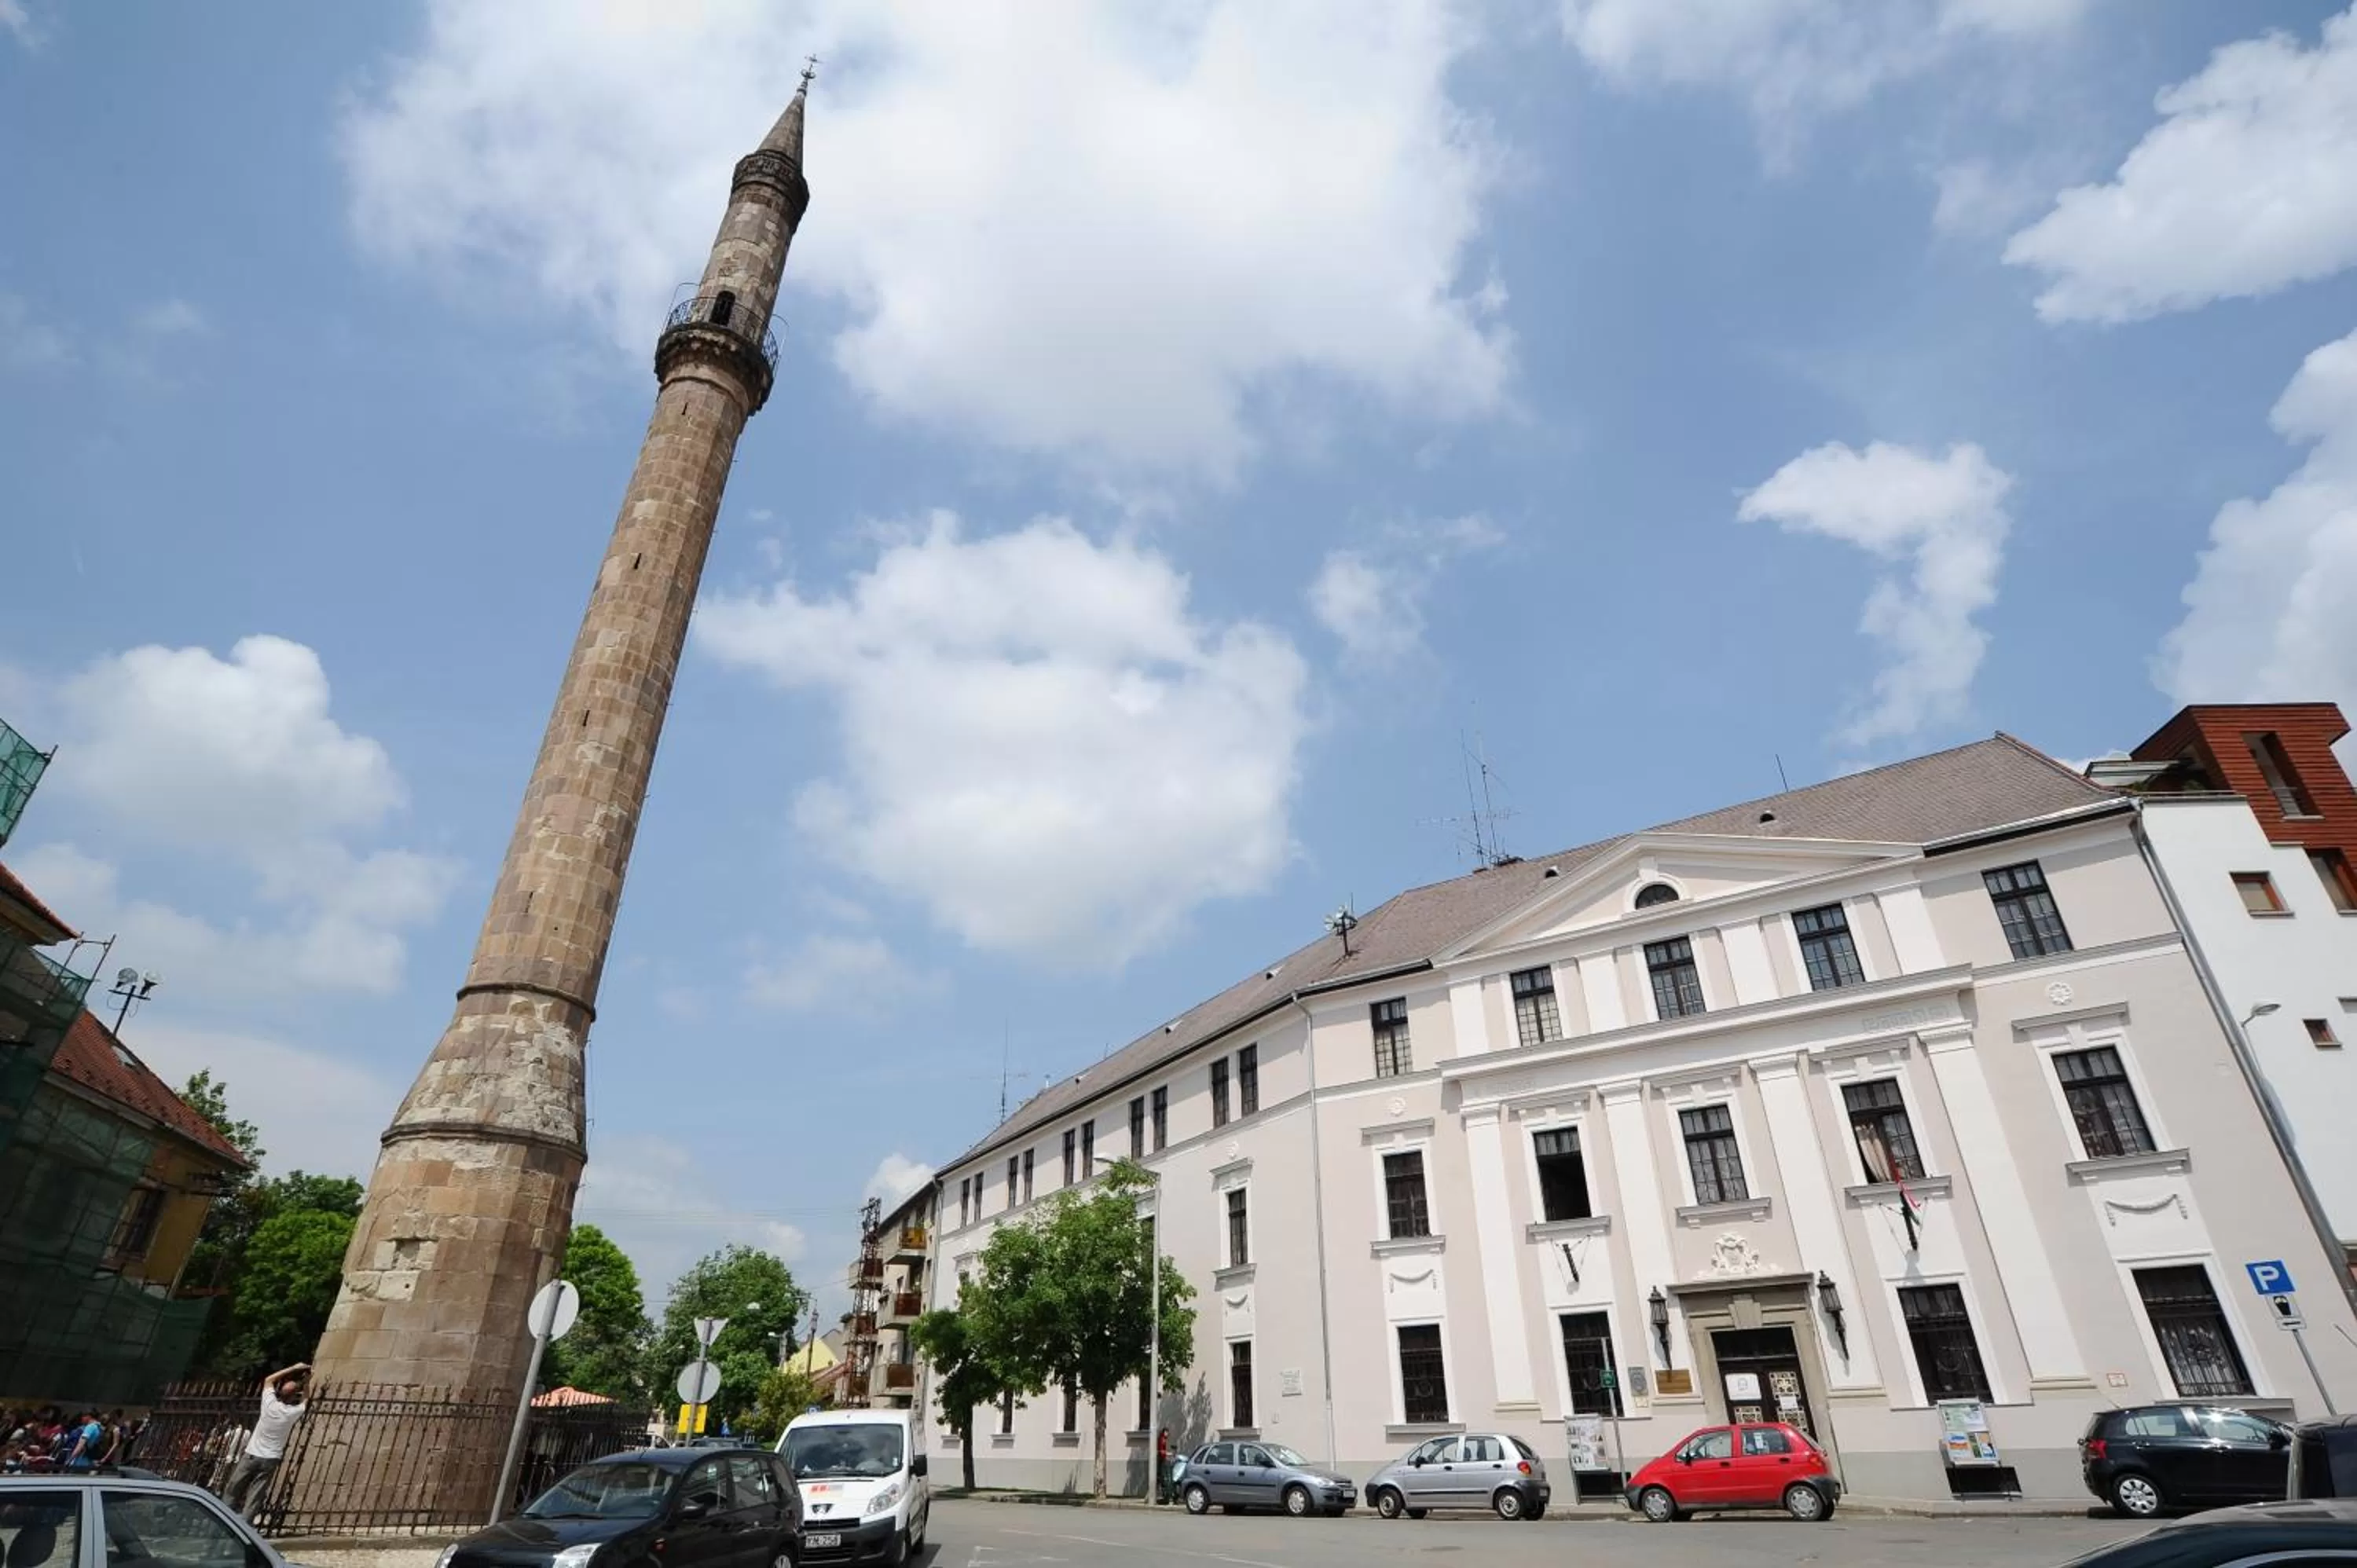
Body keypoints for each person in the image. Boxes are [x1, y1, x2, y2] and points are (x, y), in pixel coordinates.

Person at [221, 1363, 310, 1520]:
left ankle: (222, 1519)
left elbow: (269, 1380)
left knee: (234, 1489)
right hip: (271, 1457)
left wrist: (294, 1368)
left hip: (252, 1454)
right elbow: (305, 1401)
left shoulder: (269, 1404)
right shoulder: (292, 1413)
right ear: (293, 1397)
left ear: (279, 1393)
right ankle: (245, 1525)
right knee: (255, 1495)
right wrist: (307, 1382)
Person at [1156, 1427, 1172, 1505]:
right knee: (1161, 1477)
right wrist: (1167, 1454)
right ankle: (1162, 1495)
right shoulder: (1162, 1439)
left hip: (1162, 1459)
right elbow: (1161, 1451)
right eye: (1167, 1432)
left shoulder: (1163, 1439)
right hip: (1161, 1460)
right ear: (1164, 1432)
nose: (1167, 1434)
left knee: (1162, 1477)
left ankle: (1162, 1495)